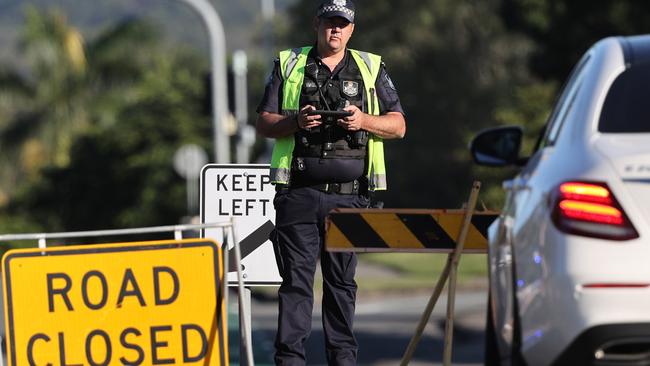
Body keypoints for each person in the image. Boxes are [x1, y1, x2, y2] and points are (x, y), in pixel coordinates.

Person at [256, 0, 406, 364]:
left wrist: (363, 121)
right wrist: (296, 122)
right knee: (296, 288)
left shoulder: (370, 67)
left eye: (342, 24)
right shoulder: (289, 63)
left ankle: (343, 361)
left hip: (349, 201)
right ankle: (289, 361)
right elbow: (263, 123)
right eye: (329, 23)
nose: (335, 30)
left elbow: (398, 126)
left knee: (341, 287)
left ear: (352, 29)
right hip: (299, 195)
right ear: (316, 25)